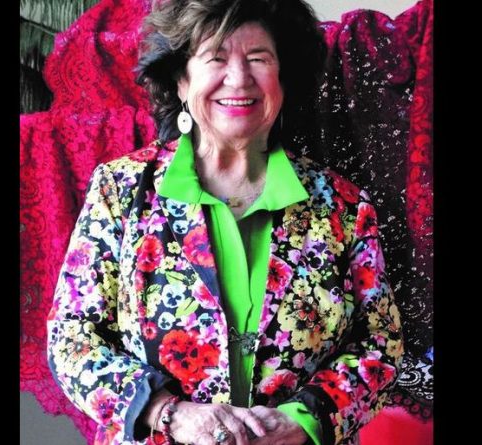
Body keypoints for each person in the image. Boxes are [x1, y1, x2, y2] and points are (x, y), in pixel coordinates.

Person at [46, 1, 404, 444]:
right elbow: (72, 339)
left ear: (283, 79)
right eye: (215, 58)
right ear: (181, 80)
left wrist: (305, 420)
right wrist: (168, 413)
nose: (239, 78)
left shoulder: (344, 207)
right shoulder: (121, 190)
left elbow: (380, 344)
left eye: (258, 59)